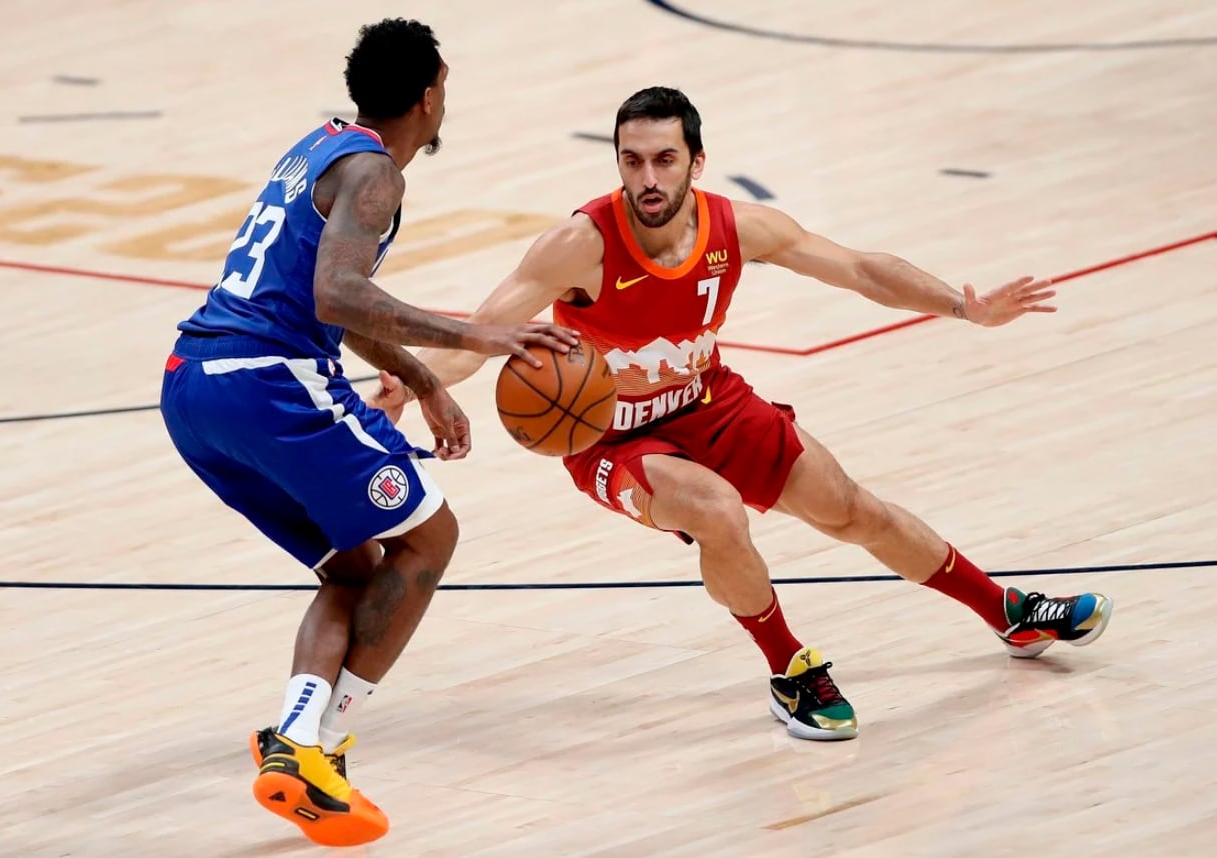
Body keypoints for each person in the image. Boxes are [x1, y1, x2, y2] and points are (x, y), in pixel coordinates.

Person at [399, 86, 1114, 743]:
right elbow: (479, 334)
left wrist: (962, 306)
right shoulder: (581, 244)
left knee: (852, 510)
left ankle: (1007, 613)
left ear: (696, 163)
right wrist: (407, 385)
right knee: (716, 511)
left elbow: (859, 268)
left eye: (664, 160)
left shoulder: (739, 228)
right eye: (631, 160)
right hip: (611, 440)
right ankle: (790, 669)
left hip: (710, 401)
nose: (647, 178)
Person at [158, 19, 576, 847]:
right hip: (266, 383)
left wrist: (422, 380)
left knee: (351, 567)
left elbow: (325, 295)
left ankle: (296, 736)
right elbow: (337, 295)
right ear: (429, 94)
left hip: (192, 386)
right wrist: (477, 336)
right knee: (430, 537)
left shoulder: (323, 145)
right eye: (444, 87)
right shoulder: (376, 172)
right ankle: (318, 748)